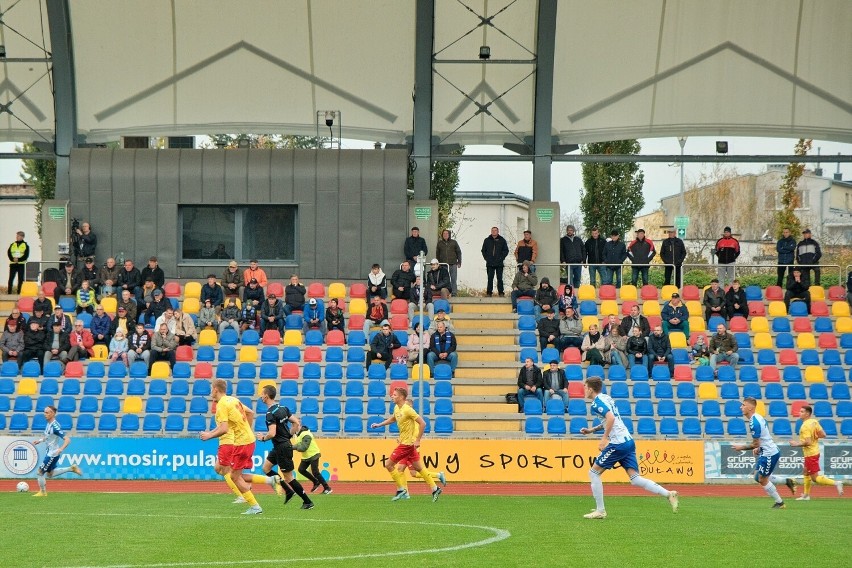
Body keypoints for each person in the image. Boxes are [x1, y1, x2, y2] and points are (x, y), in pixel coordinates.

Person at [580, 376, 679, 519]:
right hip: (628, 441)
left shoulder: (596, 403)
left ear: (590, 388)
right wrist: (592, 430)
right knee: (635, 478)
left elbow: (611, 419)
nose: (584, 389)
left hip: (618, 443)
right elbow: (609, 419)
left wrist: (604, 438)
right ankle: (669, 494)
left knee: (593, 473)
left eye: (585, 386)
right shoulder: (606, 398)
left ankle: (600, 510)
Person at [201, 379, 264, 515]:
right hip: (248, 440)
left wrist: (208, 436)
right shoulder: (233, 400)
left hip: (242, 443)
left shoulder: (221, 405)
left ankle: (255, 505)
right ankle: (259, 487)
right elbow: (250, 413)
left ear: (216, 389)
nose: (211, 391)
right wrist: (247, 429)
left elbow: (224, 429)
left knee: (234, 476)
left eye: (211, 388)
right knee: (236, 474)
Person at [370, 386, 441, 502]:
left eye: (395, 395)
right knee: (419, 468)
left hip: (406, 444)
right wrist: (379, 424)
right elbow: (393, 419)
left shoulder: (408, 409)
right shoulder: (397, 408)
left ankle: (401, 489)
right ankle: (435, 488)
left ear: (401, 397)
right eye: (393, 395)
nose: (392, 396)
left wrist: (418, 440)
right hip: (407, 444)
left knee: (388, 465)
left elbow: (423, 423)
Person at [254, 384, 315, 509]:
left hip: (282, 448)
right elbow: (296, 423)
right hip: (280, 447)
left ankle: (307, 501)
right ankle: (288, 491)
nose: (261, 396)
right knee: (266, 468)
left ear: (266, 396)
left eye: (262, 394)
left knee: (288, 477)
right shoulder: (283, 408)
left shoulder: (270, 413)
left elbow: (272, 433)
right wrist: (288, 436)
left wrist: (263, 438)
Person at [732, 397, 796, 509]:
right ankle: (787, 481)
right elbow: (762, 438)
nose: (740, 407)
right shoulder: (757, 417)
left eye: (743, 405)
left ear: (751, 407)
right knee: (758, 477)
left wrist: (740, 447)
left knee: (762, 479)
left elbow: (756, 443)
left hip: (769, 454)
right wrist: (759, 447)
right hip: (766, 451)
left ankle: (780, 503)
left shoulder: (754, 422)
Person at [789, 405, 844, 500]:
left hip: (810, 453)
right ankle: (806, 495)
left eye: (802, 411)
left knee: (815, 478)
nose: (799, 413)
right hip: (814, 451)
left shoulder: (805, 426)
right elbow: (823, 434)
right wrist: (814, 437)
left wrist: (796, 444)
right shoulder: (814, 422)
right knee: (806, 472)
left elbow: (808, 442)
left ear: (807, 414)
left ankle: (836, 483)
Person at [31, 405, 83, 496]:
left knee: (40, 472)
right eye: (44, 412)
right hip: (50, 452)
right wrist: (39, 441)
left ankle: (43, 492)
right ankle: (71, 468)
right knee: (50, 474)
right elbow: (48, 436)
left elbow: (67, 439)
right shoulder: (49, 423)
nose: (45, 414)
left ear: (53, 413)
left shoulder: (55, 427)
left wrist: (61, 449)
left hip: (52, 454)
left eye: (47, 412)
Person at [292, 424, 333, 495]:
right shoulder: (298, 434)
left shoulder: (306, 434)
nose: (293, 427)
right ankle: (316, 481)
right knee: (301, 470)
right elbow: (300, 445)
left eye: (294, 426)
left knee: (315, 472)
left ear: (299, 426)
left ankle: (327, 488)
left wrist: (291, 447)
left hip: (313, 454)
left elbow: (303, 447)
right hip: (306, 456)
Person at [481, 226, 509, 297]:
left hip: (499, 263)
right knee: (490, 278)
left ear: (498, 231)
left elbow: (506, 250)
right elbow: (483, 250)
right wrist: (487, 258)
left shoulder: (502, 240)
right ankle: (489, 293)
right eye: (492, 230)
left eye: (495, 230)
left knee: (500, 278)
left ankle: (501, 292)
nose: (494, 232)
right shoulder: (487, 240)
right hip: (490, 263)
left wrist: (501, 258)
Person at [436, 229, 462, 294]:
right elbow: (437, 254)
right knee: (444, 280)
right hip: (443, 264)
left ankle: (454, 293)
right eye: (444, 233)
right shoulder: (439, 243)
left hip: (453, 264)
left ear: (449, 235)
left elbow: (459, 252)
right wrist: (438, 263)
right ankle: (445, 293)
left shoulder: (454, 242)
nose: (445, 235)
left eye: (446, 233)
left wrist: (459, 262)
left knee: (453, 279)